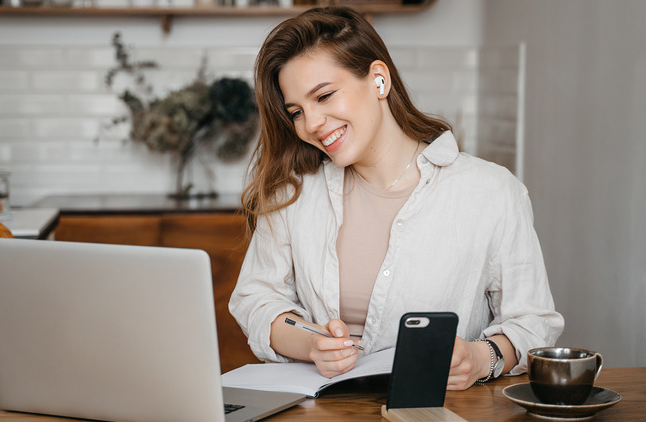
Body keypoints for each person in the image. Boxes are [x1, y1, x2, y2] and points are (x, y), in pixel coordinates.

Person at [229, 6, 564, 390]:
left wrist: (480, 358)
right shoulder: (294, 192)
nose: (311, 124)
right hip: (323, 418)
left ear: (378, 80)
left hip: (440, 415)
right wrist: (311, 343)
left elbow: (533, 324)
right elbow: (256, 299)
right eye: (297, 111)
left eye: (324, 96)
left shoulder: (491, 192)